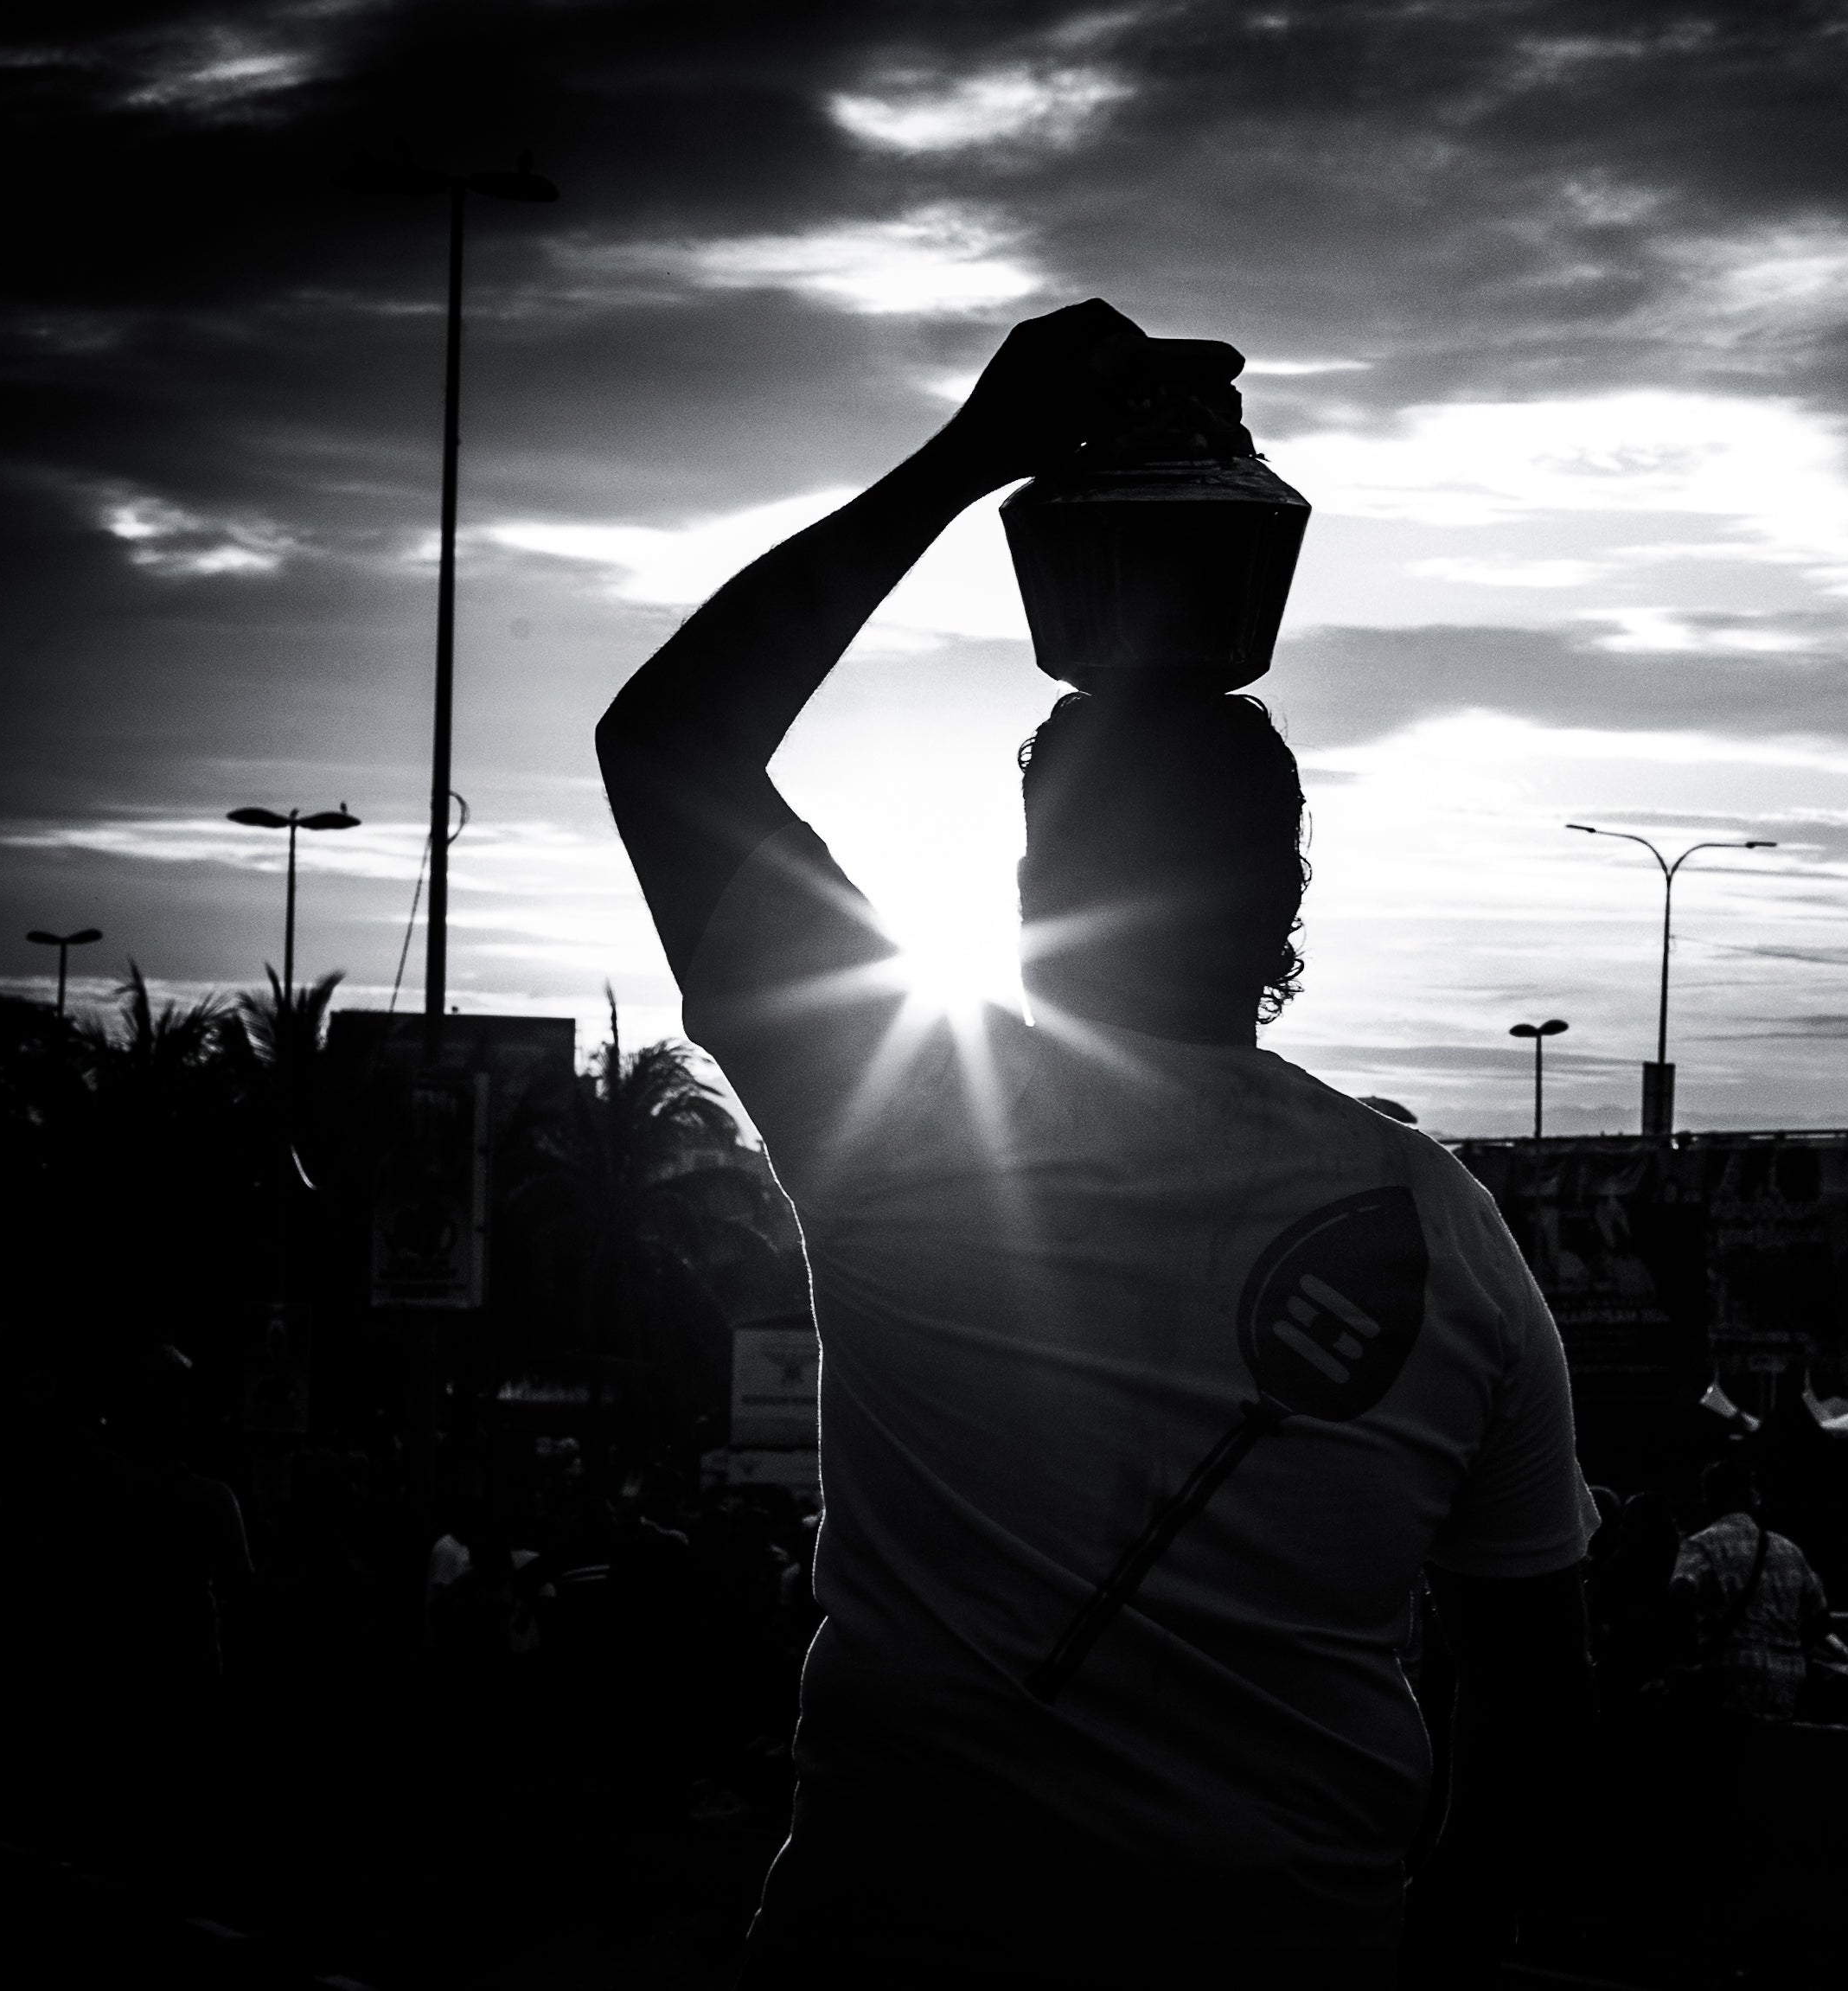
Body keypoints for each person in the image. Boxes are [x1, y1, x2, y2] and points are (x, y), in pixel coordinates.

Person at [598, 298, 1595, 1989]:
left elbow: (670, 740)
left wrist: (969, 453)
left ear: (1026, 891)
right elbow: (1533, 1676)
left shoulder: (902, 1111)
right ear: (1283, 903)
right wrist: (1450, 1924)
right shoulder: (1448, 1230)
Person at [1668, 1460, 1833, 1719]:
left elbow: (1680, 1593)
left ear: (1708, 1498)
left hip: (1728, 1677)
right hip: (1788, 1679)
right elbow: (1820, 1619)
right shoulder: (1789, 1550)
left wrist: (1690, 1656)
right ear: (1752, 1496)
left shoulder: (1702, 1545)